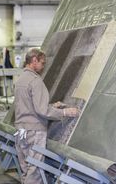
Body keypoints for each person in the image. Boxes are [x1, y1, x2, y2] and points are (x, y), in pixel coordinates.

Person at [14, 48, 80, 184]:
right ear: (34, 60)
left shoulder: (20, 80)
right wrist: (65, 112)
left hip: (21, 130)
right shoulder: (35, 81)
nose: (44, 67)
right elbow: (42, 110)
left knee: (26, 166)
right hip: (34, 131)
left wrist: (52, 106)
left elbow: (29, 105)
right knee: (35, 168)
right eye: (42, 63)